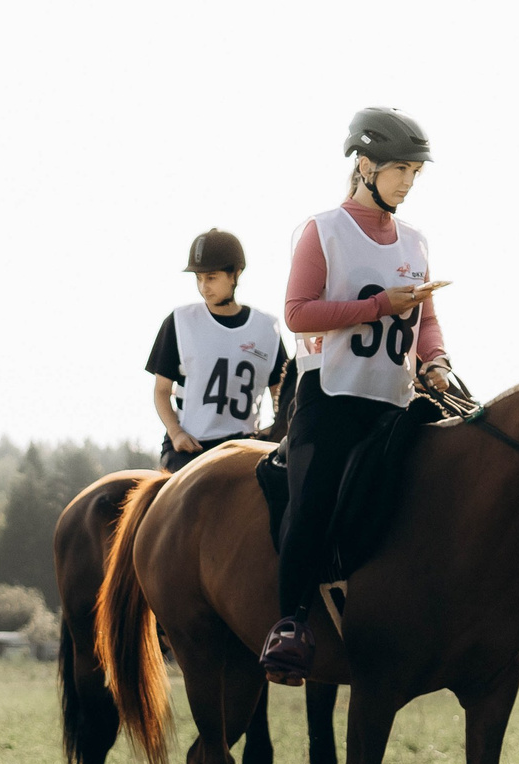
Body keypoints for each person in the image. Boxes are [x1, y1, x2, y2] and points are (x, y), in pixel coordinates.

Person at [262, 107, 458, 684]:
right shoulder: (322, 230)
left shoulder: (416, 240)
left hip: (396, 399)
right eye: (400, 169)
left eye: (415, 172)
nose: (408, 182)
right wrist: (377, 307)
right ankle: (291, 623)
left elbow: (426, 322)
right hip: (332, 398)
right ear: (365, 165)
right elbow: (297, 314)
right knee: (312, 503)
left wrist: (437, 361)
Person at [146, 229, 290, 473]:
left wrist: (274, 429)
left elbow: (280, 395)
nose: (204, 287)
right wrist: (176, 432)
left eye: (211, 278)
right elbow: (161, 391)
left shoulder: (267, 328)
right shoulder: (179, 321)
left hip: (245, 447)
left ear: (235, 274)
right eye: (198, 278)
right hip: (190, 446)